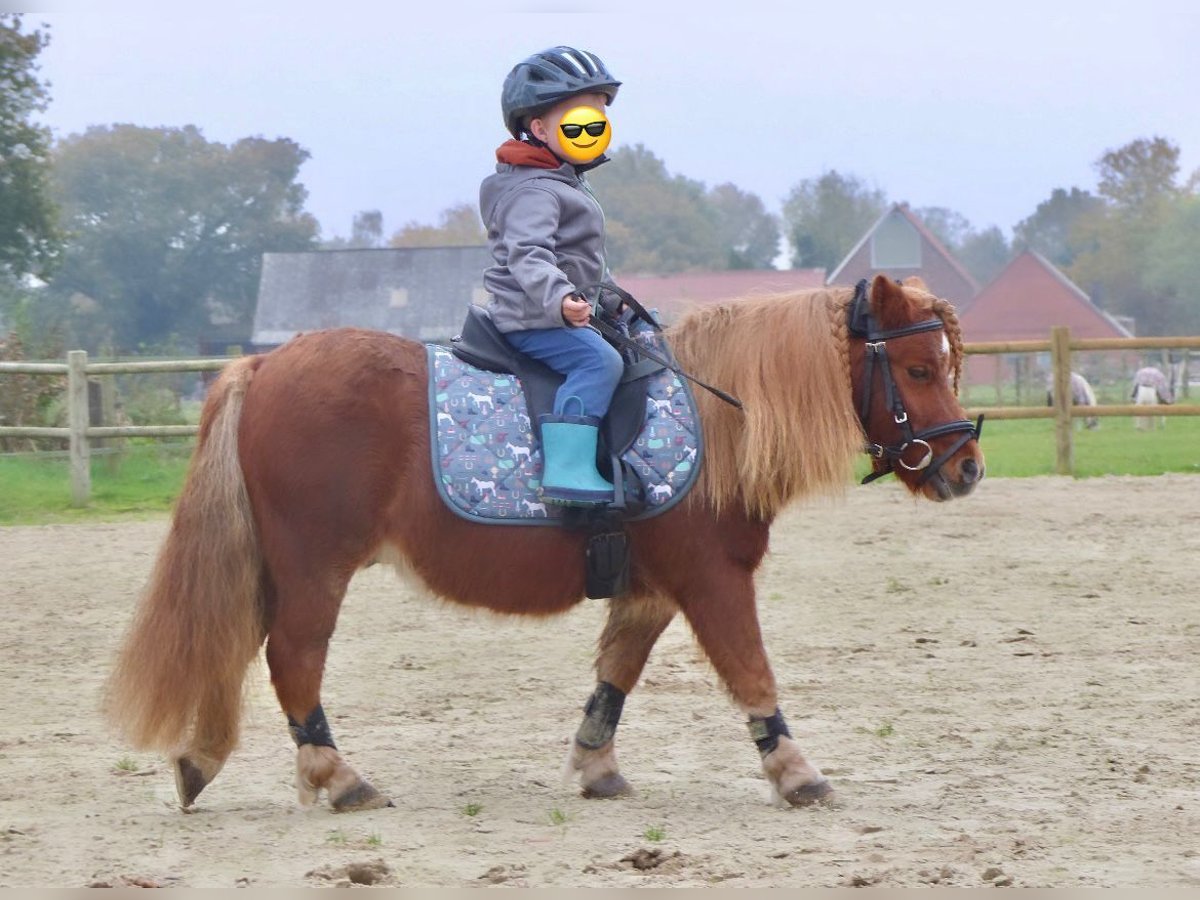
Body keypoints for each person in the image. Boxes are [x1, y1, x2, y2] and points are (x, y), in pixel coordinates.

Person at [479, 46, 625, 507]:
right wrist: (561, 299)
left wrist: (613, 301)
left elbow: (587, 261)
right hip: (532, 317)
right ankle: (568, 471)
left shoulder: (562, 183)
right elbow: (529, 255)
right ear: (539, 128)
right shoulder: (535, 191)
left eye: (597, 120)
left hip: (560, 310)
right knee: (598, 363)